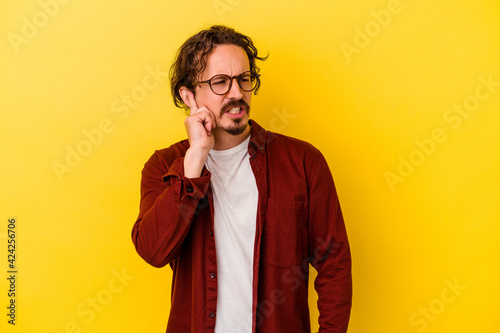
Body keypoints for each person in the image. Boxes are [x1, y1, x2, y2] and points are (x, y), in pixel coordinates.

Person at [131, 25, 352, 333]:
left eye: (244, 79)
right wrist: (195, 158)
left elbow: (334, 263)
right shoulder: (164, 166)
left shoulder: (303, 162)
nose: (237, 93)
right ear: (188, 95)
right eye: (220, 82)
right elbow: (154, 251)